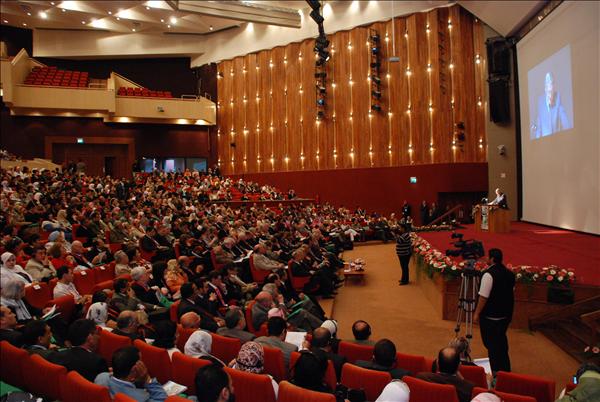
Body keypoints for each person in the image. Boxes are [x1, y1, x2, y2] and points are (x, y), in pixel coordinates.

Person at [474, 248, 515, 374]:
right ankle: (505, 369)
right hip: (505, 316)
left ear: (491, 259)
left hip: (490, 317)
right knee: (501, 342)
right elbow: (511, 293)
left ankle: (496, 371)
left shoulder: (488, 275)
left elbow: (483, 297)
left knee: (491, 345)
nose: (486, 259)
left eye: (488, 257)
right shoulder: (510, 274)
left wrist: (477, 313)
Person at [95, 346, 168, 402]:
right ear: (134, 371)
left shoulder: (100, 378)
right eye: (140, 362)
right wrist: (148, 379)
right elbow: (163, 399)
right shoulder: (140, 398)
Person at [532, 72, 571, 139]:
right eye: (549, 92)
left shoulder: (558, 98)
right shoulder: (540, 102)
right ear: (545, 89)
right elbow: (538, 127)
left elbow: (565, 122)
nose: (550, 95)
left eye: (552, 91)